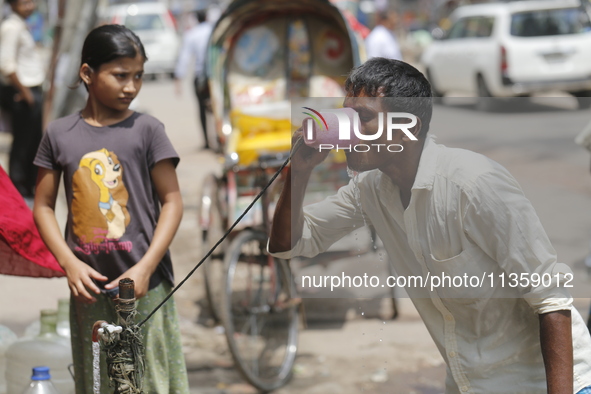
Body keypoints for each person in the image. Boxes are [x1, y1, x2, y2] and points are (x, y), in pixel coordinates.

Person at [269, 57, 591, 393]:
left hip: (547, 383)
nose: (347, 132)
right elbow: (289, 244)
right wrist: (300, 172)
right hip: (472, 384)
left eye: (362, 118)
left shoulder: (474, 184)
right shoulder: (370, 190)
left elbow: (551, 300)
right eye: (345, 117)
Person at [32, 25, 190, 393]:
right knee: (99, 380)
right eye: (120, 75)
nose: (131, 87)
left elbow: (173, 201)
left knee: (149, 381)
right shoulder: (59, 134)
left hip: (144, 287)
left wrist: (146, 266)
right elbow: (42, 206)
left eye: (138, 76)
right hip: (90, 290)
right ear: (87, 73)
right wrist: (69, 263)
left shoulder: (148, 129)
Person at [0, 0, 45, 200]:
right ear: (13, 5)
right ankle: (20, 187)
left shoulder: (20, 24)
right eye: (24, 2)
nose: (29, 6)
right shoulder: (11, 26)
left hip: (30, 90)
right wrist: (25, 92)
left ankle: (28, 185)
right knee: (23, 143)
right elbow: (5, 64)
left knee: (33, 141)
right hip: (23, 92)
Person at [174, 9, 213, 150]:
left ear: (196, 19)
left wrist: (178, 80)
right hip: (216, 78)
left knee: (202, 110)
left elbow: (184, 59)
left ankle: (207, 142)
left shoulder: (192, 35)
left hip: (200, 78)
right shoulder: (214, 30)